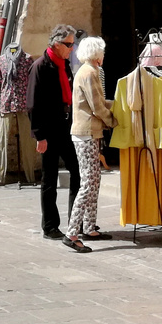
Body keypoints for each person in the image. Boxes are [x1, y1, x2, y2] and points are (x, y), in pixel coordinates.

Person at [27, 24, 80, 241]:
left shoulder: (64, 65)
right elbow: (32, 104)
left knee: (77, 171)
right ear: (56, 44)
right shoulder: (40, 66)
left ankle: (75, 221)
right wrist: (39, 136)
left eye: (73, 44)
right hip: (48, 130)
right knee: (49, 179)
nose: (72, 48)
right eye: (68, 44)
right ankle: (49, 226)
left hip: (66, 127)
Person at [63, 35, 115, 253]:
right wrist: (114, 120)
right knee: (88, 182)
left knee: (94, 179)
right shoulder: (90, 73)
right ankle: (72, 232)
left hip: (88, 132)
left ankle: (90, 226)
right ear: (97, 53)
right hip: (86, 133)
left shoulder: (85, 71)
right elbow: (97, 106)